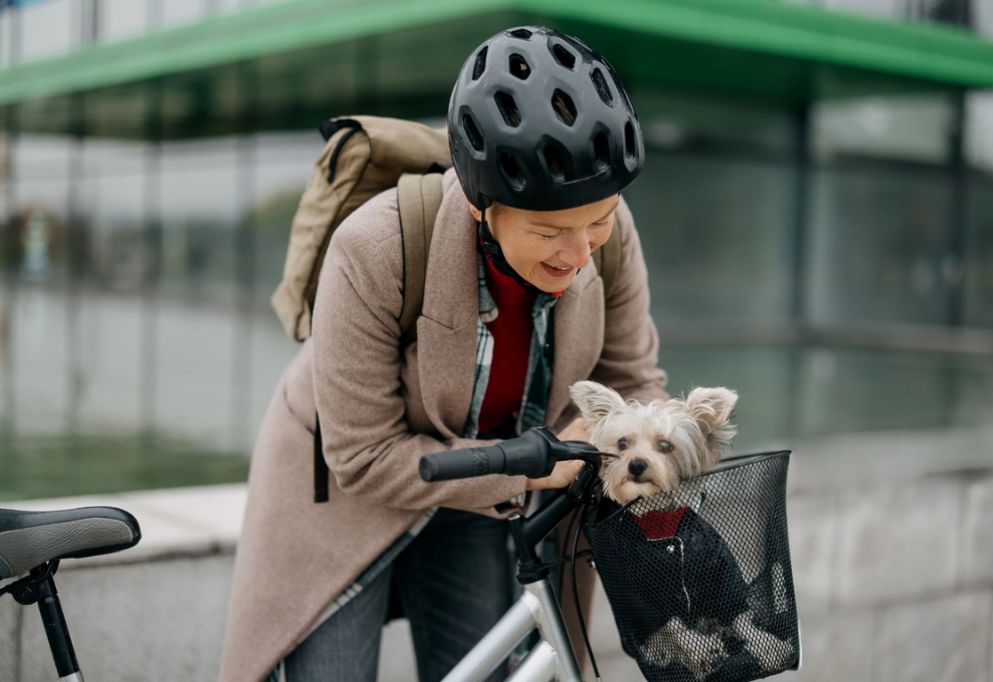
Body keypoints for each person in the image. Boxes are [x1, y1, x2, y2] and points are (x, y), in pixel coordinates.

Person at [219, 25, 668, 682]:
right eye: (549, 231)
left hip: (486, 485)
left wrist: (631, 437)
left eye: (596, 222)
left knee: (486, 669)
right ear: (483, 204)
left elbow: (636, 381)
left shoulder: (612, 236)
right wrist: (538, 470)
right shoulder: (373, 247)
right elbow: (365, 457)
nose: (579, 256)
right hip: (346, 489)